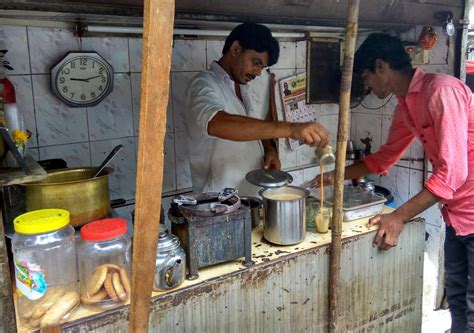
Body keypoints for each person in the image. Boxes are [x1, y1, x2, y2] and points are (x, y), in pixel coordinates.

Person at [311, 33, 474, 333]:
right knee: (459, 304)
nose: (367, 85)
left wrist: (398, 216)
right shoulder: (406, 104)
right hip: (457, 217)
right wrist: (335, 176)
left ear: (381, 66)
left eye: (367, 76)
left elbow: (453, 173)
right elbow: (385, 158)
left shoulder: (441, 91)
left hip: (472, 213)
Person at [185, 22, 329, 196]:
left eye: (262, 67)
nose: (258, 72)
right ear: (236, 49)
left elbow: (248, 129)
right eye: (255, 62)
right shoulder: (203, 84)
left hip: (246, 196)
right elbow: (216, 123)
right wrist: (290, 129)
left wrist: (268, 150)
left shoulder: (241, 88)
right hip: (216, 204)